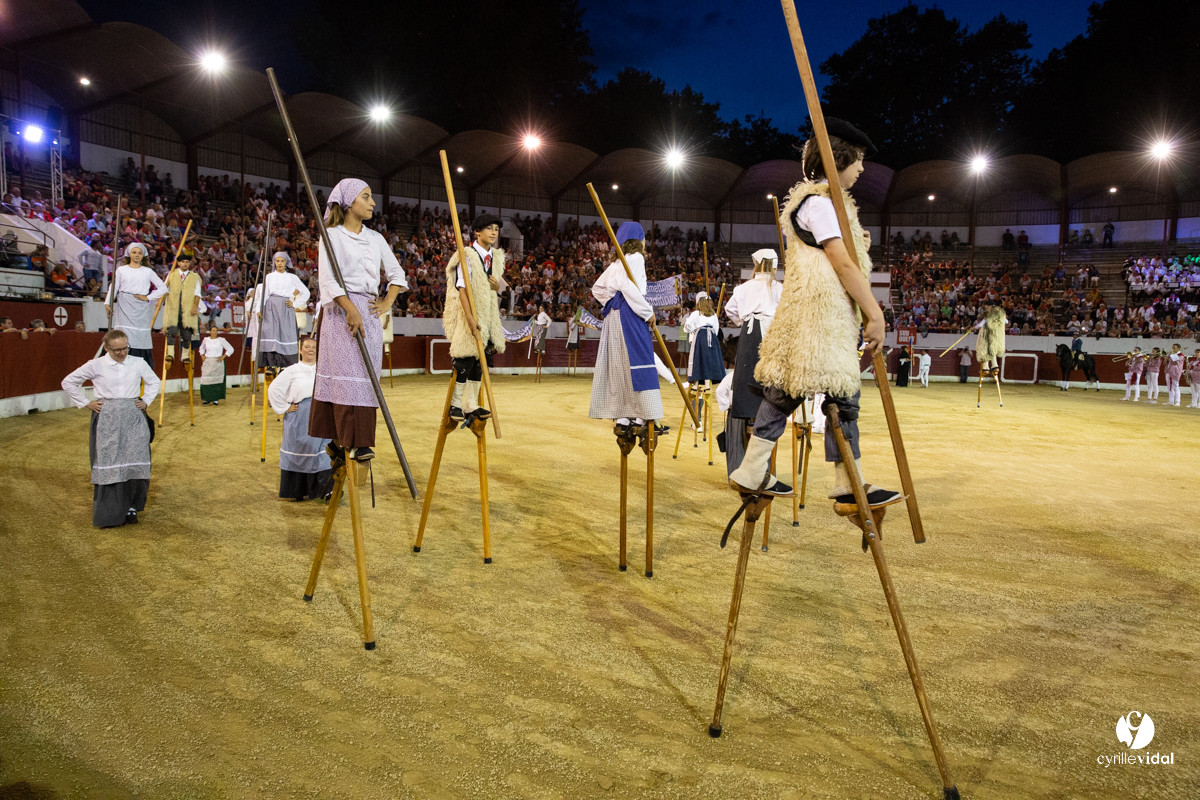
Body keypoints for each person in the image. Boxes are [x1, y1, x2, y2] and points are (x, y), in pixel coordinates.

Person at [730, 118, 901, 507]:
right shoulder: (821, 203)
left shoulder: (817, 202)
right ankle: (848, 482)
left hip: (809, 311)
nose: (862, 170)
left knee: (784, 392)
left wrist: (858, 240)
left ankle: (753, 469)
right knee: (842, 394)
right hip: (822, 314)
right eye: (857, 161)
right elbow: (842, 264)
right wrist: (875, 313)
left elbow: (835, 252)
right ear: (839, 159)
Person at [309, 178, 408, 463]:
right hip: (339, 312)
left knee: (365, 377)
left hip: (368, 309)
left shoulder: (376, 238)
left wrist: (387, 302)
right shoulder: (331, 236)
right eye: (366, 197)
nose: (373, 203)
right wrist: (349, 308)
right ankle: (338, 439)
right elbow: (327, 279)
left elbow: (397, 275)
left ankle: (360, 440)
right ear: (350, 202)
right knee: (342, 375)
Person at [61, 329, 161, 527]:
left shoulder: (137, 362)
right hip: (108, 417)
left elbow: (154, 381)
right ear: (106, 348)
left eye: (125, 348)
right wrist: (87, 402)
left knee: (135, 461)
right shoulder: (96, 364)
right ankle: (110, 513)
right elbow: (68, 382)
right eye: (117, 350)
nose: (122, 353)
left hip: (133, 415)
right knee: (110, 462)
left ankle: (132, 507)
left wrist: (146, 401)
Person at [589, 220, 664, 433]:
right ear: (637, 240)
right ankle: (643, 415)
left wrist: (612, 302)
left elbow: (597, 289)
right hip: (630, 315)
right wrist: (647, 311)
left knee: (620, 363)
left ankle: (623, 415)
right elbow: (630, 289)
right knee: (640, 359)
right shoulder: (636, 258)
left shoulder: (616, 263)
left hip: (614, 317)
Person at [721, 248, 782, 476]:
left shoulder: (744, 288)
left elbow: (730, 310)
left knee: (748, 385)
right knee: (769, 385)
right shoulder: (779, 288)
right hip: (772, 336)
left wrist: (744, 322)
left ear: (756, 264)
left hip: (750, 333)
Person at [443, 213, 506, 424]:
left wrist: (499, 287)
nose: (494, 232)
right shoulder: (468, 255)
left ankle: (470, 405)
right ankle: (455, 403)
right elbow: (462, 289)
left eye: (496, 229)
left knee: (480, 361)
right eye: (489, 228)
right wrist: (470, 318)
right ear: (477, 232)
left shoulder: (496, 257)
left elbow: (500, 287)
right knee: (465, 359)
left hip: (488, 317)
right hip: (469, 314)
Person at [269, 337, 333, 501]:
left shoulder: (324, 370)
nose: (310, 350)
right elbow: (274, 389)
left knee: (323, 451)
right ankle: (298, 491)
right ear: (300, 350)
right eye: (307, 347)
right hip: (299, 416)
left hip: (321, 414)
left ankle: (326, 490)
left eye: (313, 347)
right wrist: (284, 408)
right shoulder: (292, 370)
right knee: (300, 451)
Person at [104, 243, 166, 364]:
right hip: (124, 305)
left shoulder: (148, 271)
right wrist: (107, 303)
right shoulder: (121, 270)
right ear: (129, 254)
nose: (137, 255)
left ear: (143, 255)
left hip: (141, 307)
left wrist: (148, 297)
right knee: (124, 335)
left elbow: (163, 288)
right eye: (134, 252)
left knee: (140, 338)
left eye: (139, 253)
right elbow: (114, 287)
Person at [255, 251, 310, 373]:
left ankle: (285, 365)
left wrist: (294, 303)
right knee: (271, 333)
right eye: (277, 261)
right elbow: (264, 294)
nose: (279, 263)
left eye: (282, 261)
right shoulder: (269, 277)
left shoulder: (292, 277)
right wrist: (259, 308)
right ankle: (270, 365)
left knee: (285, 334)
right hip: (271, 307)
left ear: (286, 262)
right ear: (274, 262)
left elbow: (306, 292)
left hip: (285, 308)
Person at [162, 247, 202, 370]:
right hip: (173, 306)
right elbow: (164, 289)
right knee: (171, 331)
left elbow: (197, 293)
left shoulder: (195, 277)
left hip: (188, 306)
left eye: (187, 262)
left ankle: (185, 356)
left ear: (190, 263)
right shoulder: (171, 275)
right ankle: (170, 353)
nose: (185, 264)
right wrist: (161, 299)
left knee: (186, 332)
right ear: (178, 263)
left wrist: (195, 305)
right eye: (182, 262)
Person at [198, 325, 234, 405]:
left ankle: (216, 399)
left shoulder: (221, 340)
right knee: (206, 381)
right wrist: (202, 356)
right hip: (208, 362)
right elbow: (201, 348)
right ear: (210, 331)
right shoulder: (206, 340)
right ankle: (207, 398)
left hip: (217, 362)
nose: (215, 332)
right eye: (213, 330)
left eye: (216, 331)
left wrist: (223, 357)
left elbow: (231, 349)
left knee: (216, 380)